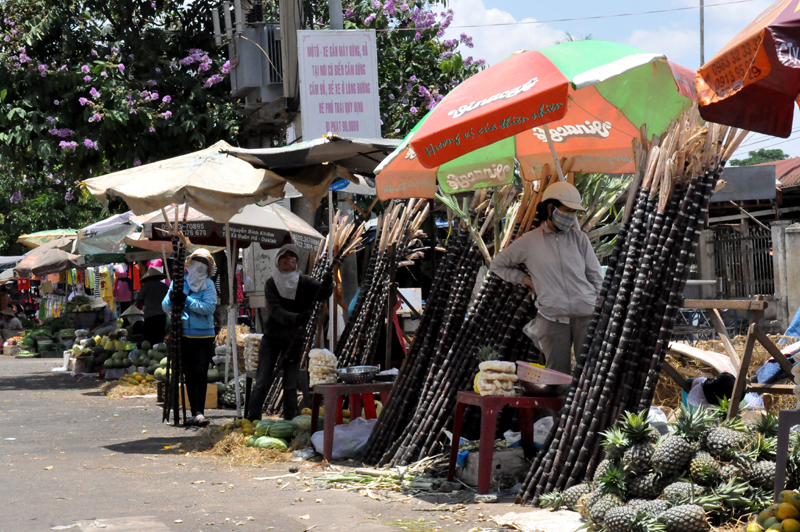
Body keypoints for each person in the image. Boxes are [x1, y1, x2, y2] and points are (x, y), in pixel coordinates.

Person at [489, 181, 603, 375]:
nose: (571, 217)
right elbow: (497, 265)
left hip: (586, 315)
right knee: (557, 375)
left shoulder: (579, 239)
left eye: (574, 212)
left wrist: (600, 302)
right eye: (567, 210)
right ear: (551, 208)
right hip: (552, 318)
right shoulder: (529, 241)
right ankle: (557, 407)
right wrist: (527, 280)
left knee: (590, 373)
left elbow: (595, 275)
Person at [247, 244, 334, 422]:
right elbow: (275, 311)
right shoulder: (271, 283)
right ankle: (251, 418)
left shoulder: (305, 282)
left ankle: (289, 421)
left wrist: (328, 283)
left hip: (294, 339)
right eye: (285, 256)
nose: (290, 259)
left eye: (292, 256)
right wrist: (297, 318)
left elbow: (322, 293)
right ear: (278, 262)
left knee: (290, 384)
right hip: (272, 338)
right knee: (263, 381)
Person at [162, 249, 218, 427]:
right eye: (196, 262)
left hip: (204, 336)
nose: (199, 266)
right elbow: (165, 306)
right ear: (189, 265)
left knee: (201, 372)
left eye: (203, 263)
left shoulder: (208, 284)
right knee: (188, 373)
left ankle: (199, 412)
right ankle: (193, 411)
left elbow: (209, 308)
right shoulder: (179, 283)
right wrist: (172, 299)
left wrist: (187, 301)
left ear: (208, 268)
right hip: (183, 334)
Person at [135, 267, 169, 346]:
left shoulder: (146, 286)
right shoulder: (164, 286)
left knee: (150, 340)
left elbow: (138, 300)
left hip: (149, 316)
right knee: (159, 338)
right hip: (161, 314)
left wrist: (146, 303)